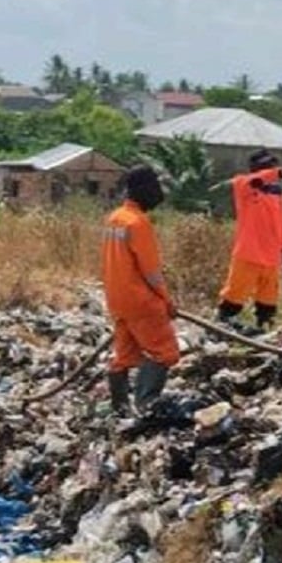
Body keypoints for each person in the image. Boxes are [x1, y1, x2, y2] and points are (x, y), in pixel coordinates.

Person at [101, 165, 179, 415]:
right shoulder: (138, 223)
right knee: (164, 352)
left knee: (124, 356)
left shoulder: (114, 218)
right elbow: (151, 271)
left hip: (117, 299)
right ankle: (145, 406)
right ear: (145, 190)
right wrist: (166, 301)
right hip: (140, 301)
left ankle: (119, 409)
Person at [216, 148, 282, 332]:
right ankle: (222, 324)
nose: (271, 169)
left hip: (271, 256)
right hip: (249, 252)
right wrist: (281, 173)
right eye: (267, 166)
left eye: (272, 165)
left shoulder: (276, 192)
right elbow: (259, 178)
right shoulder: (244, 185)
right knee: (236, 292)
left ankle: (264, 328)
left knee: (268, 297)